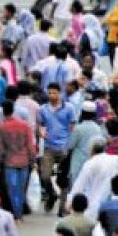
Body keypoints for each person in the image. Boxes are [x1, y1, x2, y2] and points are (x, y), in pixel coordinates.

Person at [0, 100, 36, 219]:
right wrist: (33, 160)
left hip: (10, 161)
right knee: (21, 188)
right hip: (24, 161)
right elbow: (30, 145)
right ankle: (19, 212)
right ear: (13, 110)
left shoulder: (2, 127)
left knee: (12, 189)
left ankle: (17, 214)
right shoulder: (25, 126)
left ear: (3, 111)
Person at [39, 82, 75, 212]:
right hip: (49, 147)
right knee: (45, 176)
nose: (51, 95)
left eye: (54, 92)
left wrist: (70, 145)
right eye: (49, 93)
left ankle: (63, 207)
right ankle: (52, 194)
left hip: (64, 147)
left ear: (59, 93)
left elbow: (72, 127)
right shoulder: (43, 109)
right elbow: (42, 125)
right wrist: (41, 131)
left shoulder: (69, 108)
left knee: (63, 179)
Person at [67, 103, 105, 192]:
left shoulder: (78, 128)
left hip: (78, 162)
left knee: (76, 187)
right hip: (93, 160)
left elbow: (70, 145)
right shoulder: (98, 128)